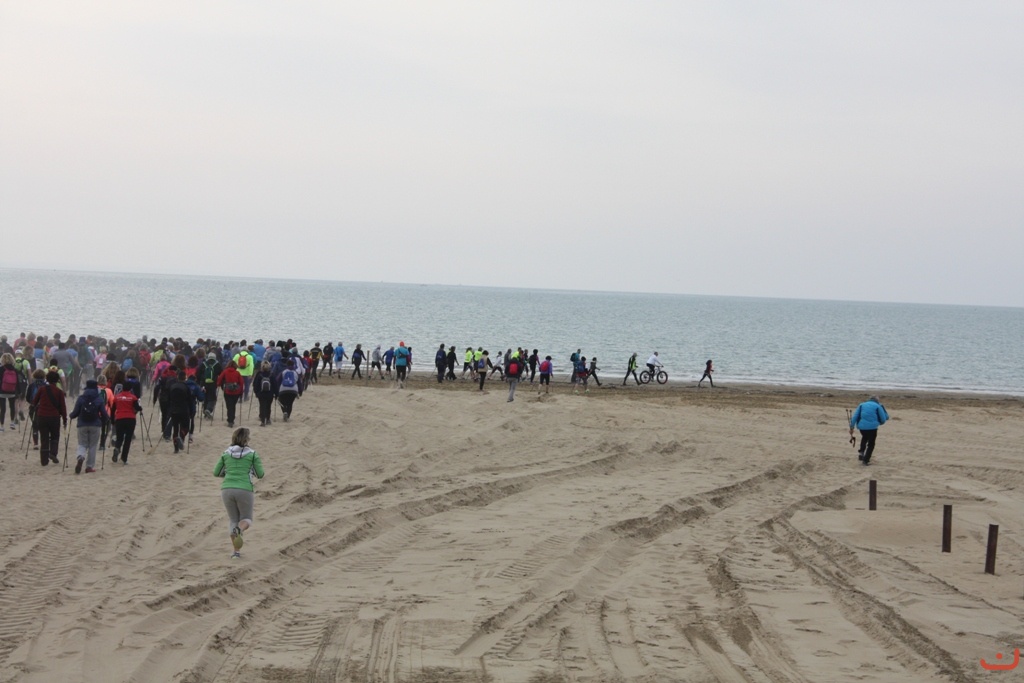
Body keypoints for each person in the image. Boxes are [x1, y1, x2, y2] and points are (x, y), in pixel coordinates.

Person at [213, 427, 265, 559]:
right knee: (246, 519)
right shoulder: (252, 454)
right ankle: (240, 530)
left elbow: (216, 472)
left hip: (227, 489)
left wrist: (228, 473)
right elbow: (260, 474)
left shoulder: (225, 453)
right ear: (247, 439)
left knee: (233, 520)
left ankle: (236, 552)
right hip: (244, 489)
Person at [69, 379, 109, 474]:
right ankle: (89, 467)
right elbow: (104, 414)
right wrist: (106, 420)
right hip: (95, 425)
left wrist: (71, 416)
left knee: (82, 443)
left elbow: (75, 413)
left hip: (82, 424)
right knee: (92, 446)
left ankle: (81, 457)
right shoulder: (99, 399)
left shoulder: (81, 398)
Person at [32, 369, 67, 466]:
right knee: (55, 436)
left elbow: (34, 402)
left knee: (44, 438)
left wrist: (35, 408)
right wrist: (64, 419)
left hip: (42, 416)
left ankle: (44, 461)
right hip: (54, 417)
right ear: (57, 380)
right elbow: (63, 407)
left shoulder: (42, 389)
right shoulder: (59, 392)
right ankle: (53, 453)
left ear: (47, 379)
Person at [850, 395, 889, 465]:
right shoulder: (878, 406)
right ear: (877, 400)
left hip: (862, 427)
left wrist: (851, 427)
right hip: (872, 428)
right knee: (871, 444)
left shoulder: (862, 405)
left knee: (864, 437)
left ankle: (861, 453)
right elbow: (884, 419)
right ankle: (866, 460)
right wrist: (879, 423)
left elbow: (855, 416)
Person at [111, 383, 142, 465]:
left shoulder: (117, 397)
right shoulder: (133, 397)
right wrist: (140, 408)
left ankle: (117, 448)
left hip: (119, 419)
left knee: (119, 438)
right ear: (130, 389)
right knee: (128, 439)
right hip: (130, 419)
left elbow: (113, 410)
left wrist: (112, 421)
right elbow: (137, 407)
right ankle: (124, 458)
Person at [0, 353, 23, 431]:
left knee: (3, 409)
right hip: (12, 391)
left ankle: (2, 426)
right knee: (12, 407)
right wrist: (19, 391)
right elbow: (17, 382)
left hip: (2, 391)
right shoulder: (14, 369)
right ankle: (12, 423)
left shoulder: (1, 369)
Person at [217, 361, 244, 427]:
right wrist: (241, 392)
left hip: (227, 391)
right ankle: (231, 419)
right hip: (236, 392)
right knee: (233, 405)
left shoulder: (225, 371)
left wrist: (218, 384)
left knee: (229, 406)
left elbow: (220, 379)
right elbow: (241, 383)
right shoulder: (237, 373)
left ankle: (230, 420)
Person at [252, 361, 277, 427]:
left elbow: (255, 384)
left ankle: (263, 420)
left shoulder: (259, 374)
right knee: (268, 406)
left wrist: (256, 392)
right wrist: (276, 394)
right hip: (270, 393)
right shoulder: (271, 374)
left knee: (262, 406)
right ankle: (268, 419)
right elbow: (275, 384)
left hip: (261, 393)